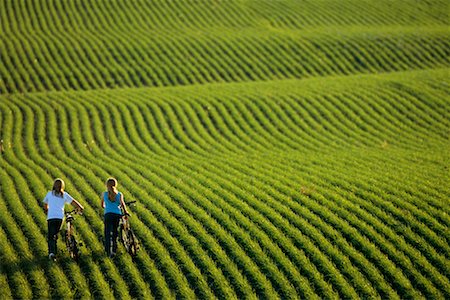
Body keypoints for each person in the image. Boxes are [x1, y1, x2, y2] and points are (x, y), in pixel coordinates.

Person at [43, 178, 84, 261]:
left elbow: (45, 205)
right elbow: (74, 203)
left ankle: (52, 253)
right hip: (60, 218)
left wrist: (48, 210)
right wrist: (80, 208)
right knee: (56, 234)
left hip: (51, 217)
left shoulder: (49, 194)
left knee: (51, 236)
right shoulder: (64, 195)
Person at [101, 178, 129, 258]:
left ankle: (108, 252)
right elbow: (122, 204)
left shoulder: (104, 194)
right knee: (115, 233)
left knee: (107, 233)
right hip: (117, 214)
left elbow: (102, 205)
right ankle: (114, 250)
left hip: (108, 215)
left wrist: (106, 207)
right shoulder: (119, 194)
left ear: (107, 185)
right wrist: (126, 211)